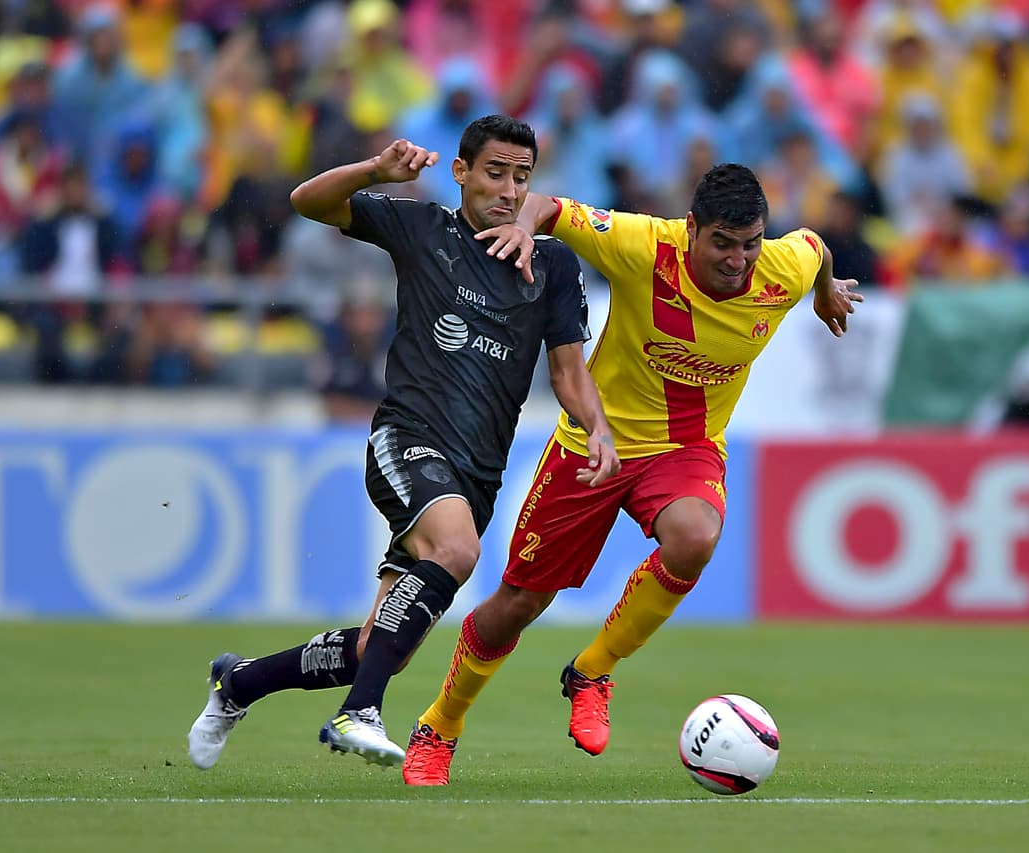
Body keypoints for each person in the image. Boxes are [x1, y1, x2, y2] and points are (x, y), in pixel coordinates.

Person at [400, 163, 861, 785]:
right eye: (722, 243)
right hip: (596, 443)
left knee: (696, 536)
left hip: (686, 446)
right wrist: (526, 231)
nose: (737, 259)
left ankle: (592, 669)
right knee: (520, 602)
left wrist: (826, 290)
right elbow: (544, 205)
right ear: (691, 228)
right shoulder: (642, 243)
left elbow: (817, 247)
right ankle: (441, 723)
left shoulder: (783, 266)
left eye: (750, 243)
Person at [187, 115, 620, 770]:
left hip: (476, 474)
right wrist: (373, 171)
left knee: (378, 643)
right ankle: (358, 713)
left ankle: (238, 682)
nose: (507, 189)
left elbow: (567, 372)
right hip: (407, 439)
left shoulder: (552, 263)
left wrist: (600, 429)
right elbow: (306, 202)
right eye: (495, 172)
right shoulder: (426, 230)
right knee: (457, 549)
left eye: (521, 177)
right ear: (462, 173)